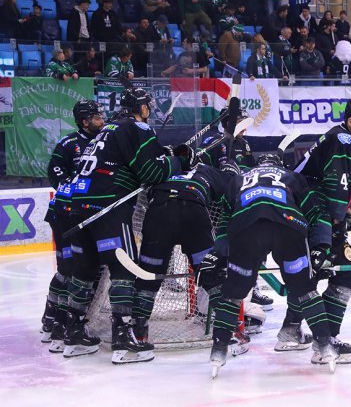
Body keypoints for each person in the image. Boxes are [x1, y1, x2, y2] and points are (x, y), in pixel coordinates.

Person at [60, 88, 191, 363]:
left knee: (84, 269)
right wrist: (178, 161)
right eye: (147, 105)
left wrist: (162, 154)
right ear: (141, 108)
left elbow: (129, 159)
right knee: (124, 269)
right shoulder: (138, 128)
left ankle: (73, 333)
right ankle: (122, 338)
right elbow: (151, 173)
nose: (149, 110)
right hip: (108, 207)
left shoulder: (108, 129)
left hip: (78, 206)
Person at [210, 153, 339, 375]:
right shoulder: (292, 176)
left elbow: (223, 220)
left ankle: (218, 349)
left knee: (233, 292)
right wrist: (321, 247)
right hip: (288, 225)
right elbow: (317, 212)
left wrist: (220, 252)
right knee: (305, 289)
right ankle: (325, 344)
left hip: (246, 226)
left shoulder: (239, 179)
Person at [283, 95, 351, 363]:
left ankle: (294, 331)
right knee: (338, 272)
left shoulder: (346, 140)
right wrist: (339, 219)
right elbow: (336, 186)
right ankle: (322, 341)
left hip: (309, 210)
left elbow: (345, 185)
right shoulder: (343, 140)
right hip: (312, 213)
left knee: (319, 272)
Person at [131, 156, 241, 360]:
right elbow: (232, 188)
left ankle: (137, 334)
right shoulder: (206, 170)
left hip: (158, 214)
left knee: (147, 278)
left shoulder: (164, 166)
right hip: (193, 212)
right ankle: (229, 333)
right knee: (211, 275)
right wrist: (231, 170)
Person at [40, 101, 104, 353]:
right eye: (96, 117)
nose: (101, 120)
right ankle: (53, 320)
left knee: (81, 269)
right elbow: (54, 172)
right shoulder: (69, 143)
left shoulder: (104, 141)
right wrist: (76, 189)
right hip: (64, 214)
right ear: (84, 121)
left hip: (85, 214)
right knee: (68, 270)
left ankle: (59, 322)